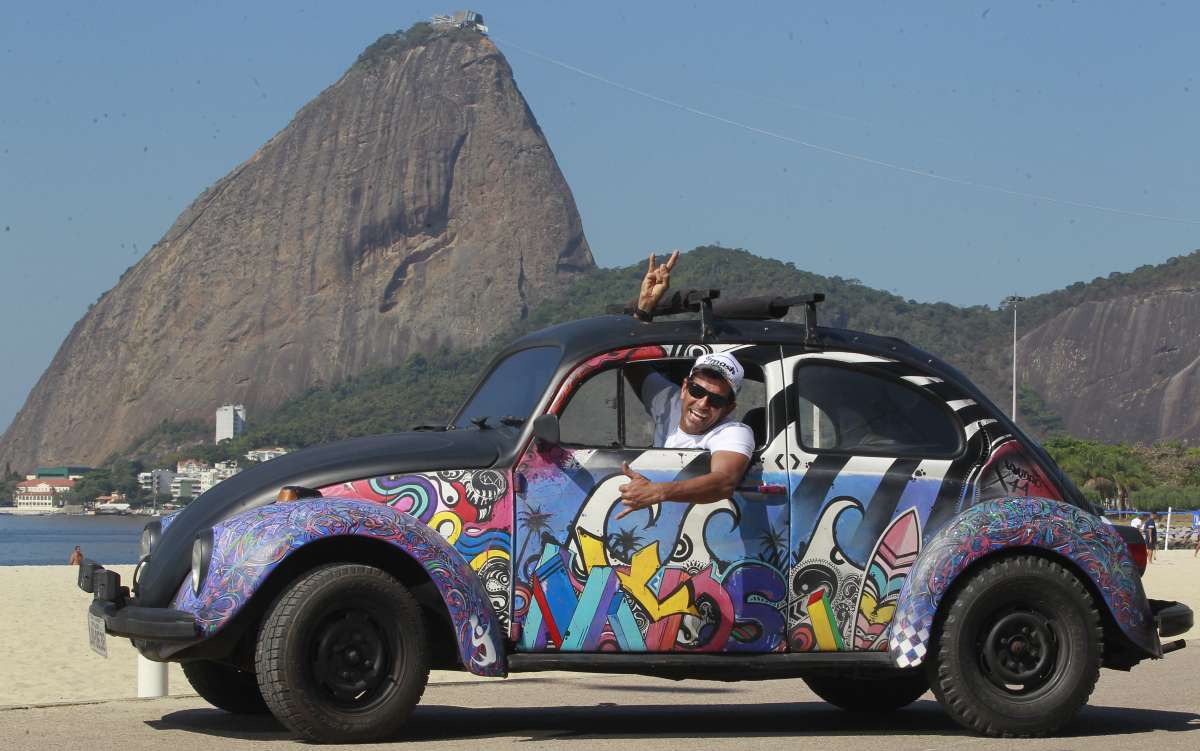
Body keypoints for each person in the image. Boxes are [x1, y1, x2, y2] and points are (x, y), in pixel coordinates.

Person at [618, 250, 754, 519]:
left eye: (716, 400)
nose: (703, 403)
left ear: (729, 408)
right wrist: (645, 307)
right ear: (683, 388)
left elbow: (724, 481)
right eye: (697, 391)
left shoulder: (733, 433)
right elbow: (626, 361)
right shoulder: (666, 401)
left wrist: (659, 491)